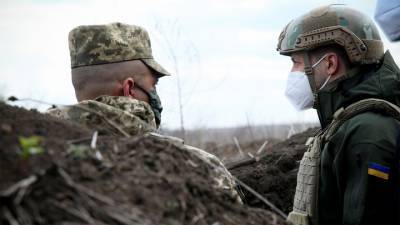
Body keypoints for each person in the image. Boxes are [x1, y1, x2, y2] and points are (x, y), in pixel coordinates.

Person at [47, 22, 241, 202]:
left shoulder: (38, 152)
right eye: (153, 85)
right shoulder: (197, 166)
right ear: (129, 89)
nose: (155, 95)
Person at [277, 5, 400, 225]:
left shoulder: (368, 133)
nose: (292, 74)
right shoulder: (345, 123)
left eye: (296, 62)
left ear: (330, 64)